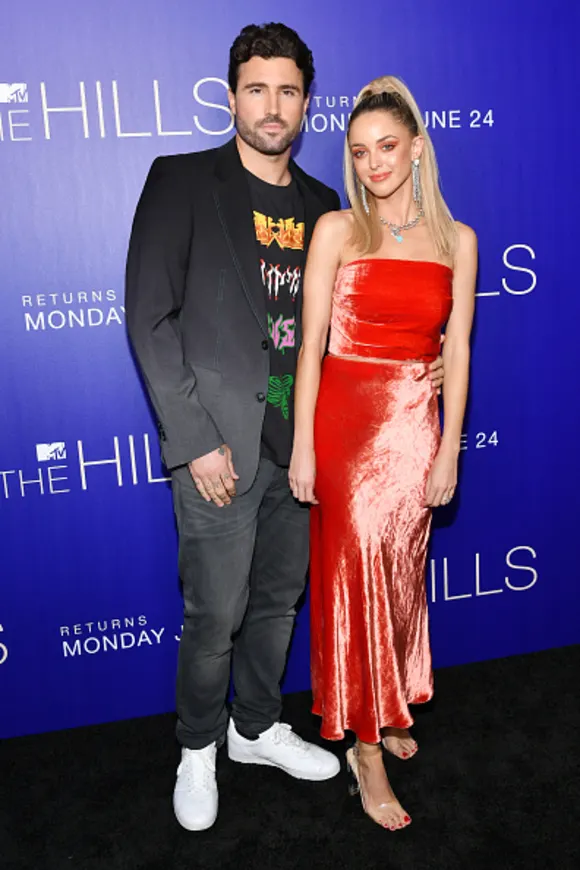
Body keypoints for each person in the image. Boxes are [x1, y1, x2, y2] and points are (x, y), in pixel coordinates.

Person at [126, 23, 443, 831]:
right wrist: (194, 439)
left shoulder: (324, 207)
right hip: (218, 449)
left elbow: (357, 323)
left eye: (289, 90)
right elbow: (149, 320)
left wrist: (425, 366)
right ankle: (197, 745)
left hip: (306, 447)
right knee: (215, 612)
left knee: (277, 604)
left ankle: (255, 727)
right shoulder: (181, 180)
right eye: (257, 88)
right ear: (232, 97)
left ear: (306, 103)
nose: (273, 106)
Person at [289, 76, 476, 831]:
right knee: (358, 577)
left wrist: (449, 450)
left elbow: (456, 350)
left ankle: (389, 702)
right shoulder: (336, 230)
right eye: (360, 152)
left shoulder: (458, 241)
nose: (374, 164)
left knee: (400, 574)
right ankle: (364, 747)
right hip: (344, 428)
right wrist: (303, 446)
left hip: (414, 429)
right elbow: (309, 351)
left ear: (418, 148)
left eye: (388, 147)